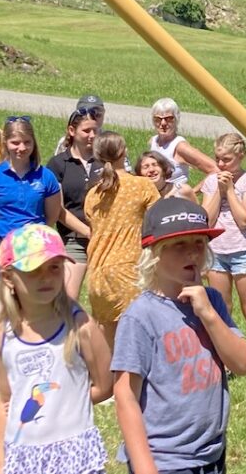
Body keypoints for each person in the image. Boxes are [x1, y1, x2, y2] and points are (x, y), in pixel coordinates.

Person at [112, 198, 246, 474]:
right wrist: (144, 467)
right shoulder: (141, 316)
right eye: (179, 245)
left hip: (211, 452)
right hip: (165, 460)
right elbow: (125, 394)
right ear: (154, 252)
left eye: (199, 243)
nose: (192, 253)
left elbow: (244, 364)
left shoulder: (211, 300)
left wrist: (209, 315)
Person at [0, 224, 111, 474]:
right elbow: (5, 401)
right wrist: (1, 463)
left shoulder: (80, 326)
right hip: (23, 456)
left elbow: (105, 384)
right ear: (8, 277)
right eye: (33, 270)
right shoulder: (1, 336)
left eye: (54, 267)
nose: (46, 278)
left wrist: (64, 404)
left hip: (74, 454)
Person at [0, 116, 64, 396]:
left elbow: (51, 216)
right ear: (6, 142)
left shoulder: (45, 177)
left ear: (33, 143)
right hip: (0, 253)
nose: (21, 148)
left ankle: (37, 365)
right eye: (15, 142)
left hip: (33, 253)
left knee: (34, 309)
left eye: (26, 142)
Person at [201, 133, 246, 387]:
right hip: (217, 253)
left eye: (227, 160)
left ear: (240, 156)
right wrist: (216, 191)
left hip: (243, 251)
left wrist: (230, 190)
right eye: (218, 159)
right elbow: (206, 221)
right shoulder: (211, 182)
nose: (221, 165)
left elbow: (245, 220)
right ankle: (225, 362)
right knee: (222, 311)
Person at [84, 131, 160, 347]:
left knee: (109, 346)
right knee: (137, 344)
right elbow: (158, 221)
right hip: (129, 272)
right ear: (124, 152)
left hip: (97, 274)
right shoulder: (142, 185)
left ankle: (106, 381)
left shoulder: (93, 194)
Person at [47, 108, 101, 300]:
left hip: (105, 239)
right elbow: (59, 210)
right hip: (74, 239)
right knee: (68, 300)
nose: (92, 135)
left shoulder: (105, 162)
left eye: (95, 130)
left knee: (107, 300)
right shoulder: (58, 164)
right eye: (86, 131)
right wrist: (88, 232)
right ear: (72, 131)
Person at [148, 97, 218, 191]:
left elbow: (215, 170)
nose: (163, 123)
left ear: (176, 119)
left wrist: (192, 192)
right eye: (158, 119)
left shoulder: (180, 147)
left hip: (175, 201)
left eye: (169, 119)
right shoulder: (153, 141)